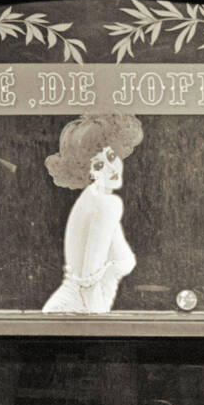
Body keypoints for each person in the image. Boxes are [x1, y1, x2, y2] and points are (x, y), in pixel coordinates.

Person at [42, 113, 143, 314]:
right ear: (87, 171)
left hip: (73, 310)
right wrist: (99, 327)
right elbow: (87, 280)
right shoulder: (106, 204)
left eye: (111, 156)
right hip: (77, 311)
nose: (111, 169)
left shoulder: (95, 198)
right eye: (98, 165)